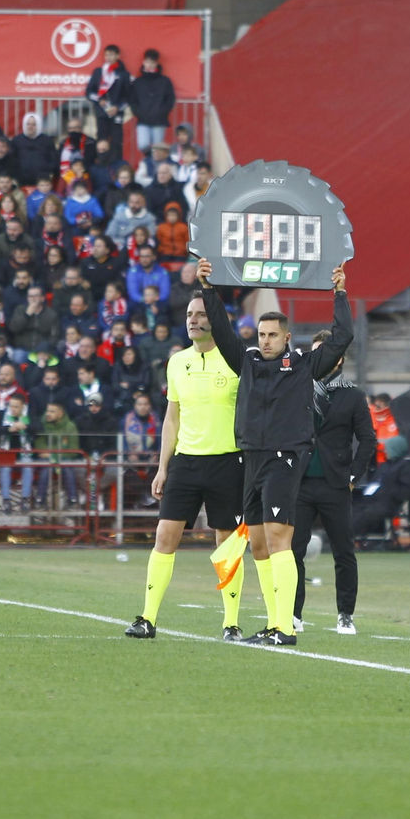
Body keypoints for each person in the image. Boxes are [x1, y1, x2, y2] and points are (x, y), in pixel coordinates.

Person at [194, 256, 351, 646]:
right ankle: (273, 622)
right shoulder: (245, 361)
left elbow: (342, 337)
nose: (264, 340)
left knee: (280, 539)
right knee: (259, 544)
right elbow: (224, 332)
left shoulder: (303, 364)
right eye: (261, 334)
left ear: (286, 337)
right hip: (252, 459)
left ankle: (284, 627)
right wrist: (209, 290)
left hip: (284, 458)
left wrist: (340, 294)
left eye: (271, 335)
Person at [125, 291, 247, 641]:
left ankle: (231, 623)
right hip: (186, 463)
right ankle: (147, 618)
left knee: (227, 544)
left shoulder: (236, 360)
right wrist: (163, 467)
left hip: (228, 461)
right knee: (164, 536)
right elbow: (171, 419)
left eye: (201, 314)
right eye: (190, 314)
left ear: (216, 320)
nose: (193, 319)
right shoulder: (177, 361)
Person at [292, 331, 375, 634]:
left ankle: (345, 614)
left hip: (335, 483)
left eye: (323, 353)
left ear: (338, 357)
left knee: (343, 551)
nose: (317, 360)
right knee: (292, 551)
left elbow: (368, 440)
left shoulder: (353, 395)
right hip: (299, 482)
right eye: (314, 354)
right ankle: (293, 614)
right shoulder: (297, 389)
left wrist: (353, 475)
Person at [128, 49, 176, 154]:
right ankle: (149, 161)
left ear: (157, 64)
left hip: (159, 120)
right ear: (143, 62)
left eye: (152, 62)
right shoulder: (137, 82)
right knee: (143, 145)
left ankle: (154, 165)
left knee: (157, 148)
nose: (150, 65)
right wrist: (139, 113)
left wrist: (162, 113)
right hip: (142, 120)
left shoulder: (165, 81)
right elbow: (133, 101)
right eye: (148, 62)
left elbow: (170, 100)